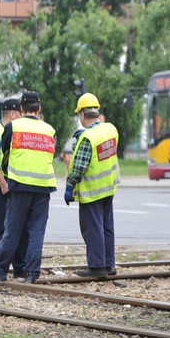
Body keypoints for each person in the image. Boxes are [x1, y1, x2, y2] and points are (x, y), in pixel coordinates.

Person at [0, 91, 56, 283]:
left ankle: (0, 271)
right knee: (36, 231)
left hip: (19, 185)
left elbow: (5, 152)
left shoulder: (14, 126)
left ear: (21, 109)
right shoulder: (49, 130)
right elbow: (50, 156)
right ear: (38, 109)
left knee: (12, 230)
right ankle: (31, 273)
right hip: (43, 187)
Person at [65, 93, 119, 279]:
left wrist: (69, 187)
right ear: (97, 111)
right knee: (106, 227)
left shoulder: (87, 137)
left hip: (92, 190)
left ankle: (96, 267)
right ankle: (109, 264)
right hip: (108, 187)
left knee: (92, 228)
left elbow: (79, 167)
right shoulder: (110, 129)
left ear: (82, 114)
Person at [0, 97, 28, 278]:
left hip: (10, 185)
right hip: (1, 187)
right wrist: (3, 184)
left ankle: (16, 267)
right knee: (0, 230)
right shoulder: (0, 131)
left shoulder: (11, 129)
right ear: (14, 114)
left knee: (14, 228)